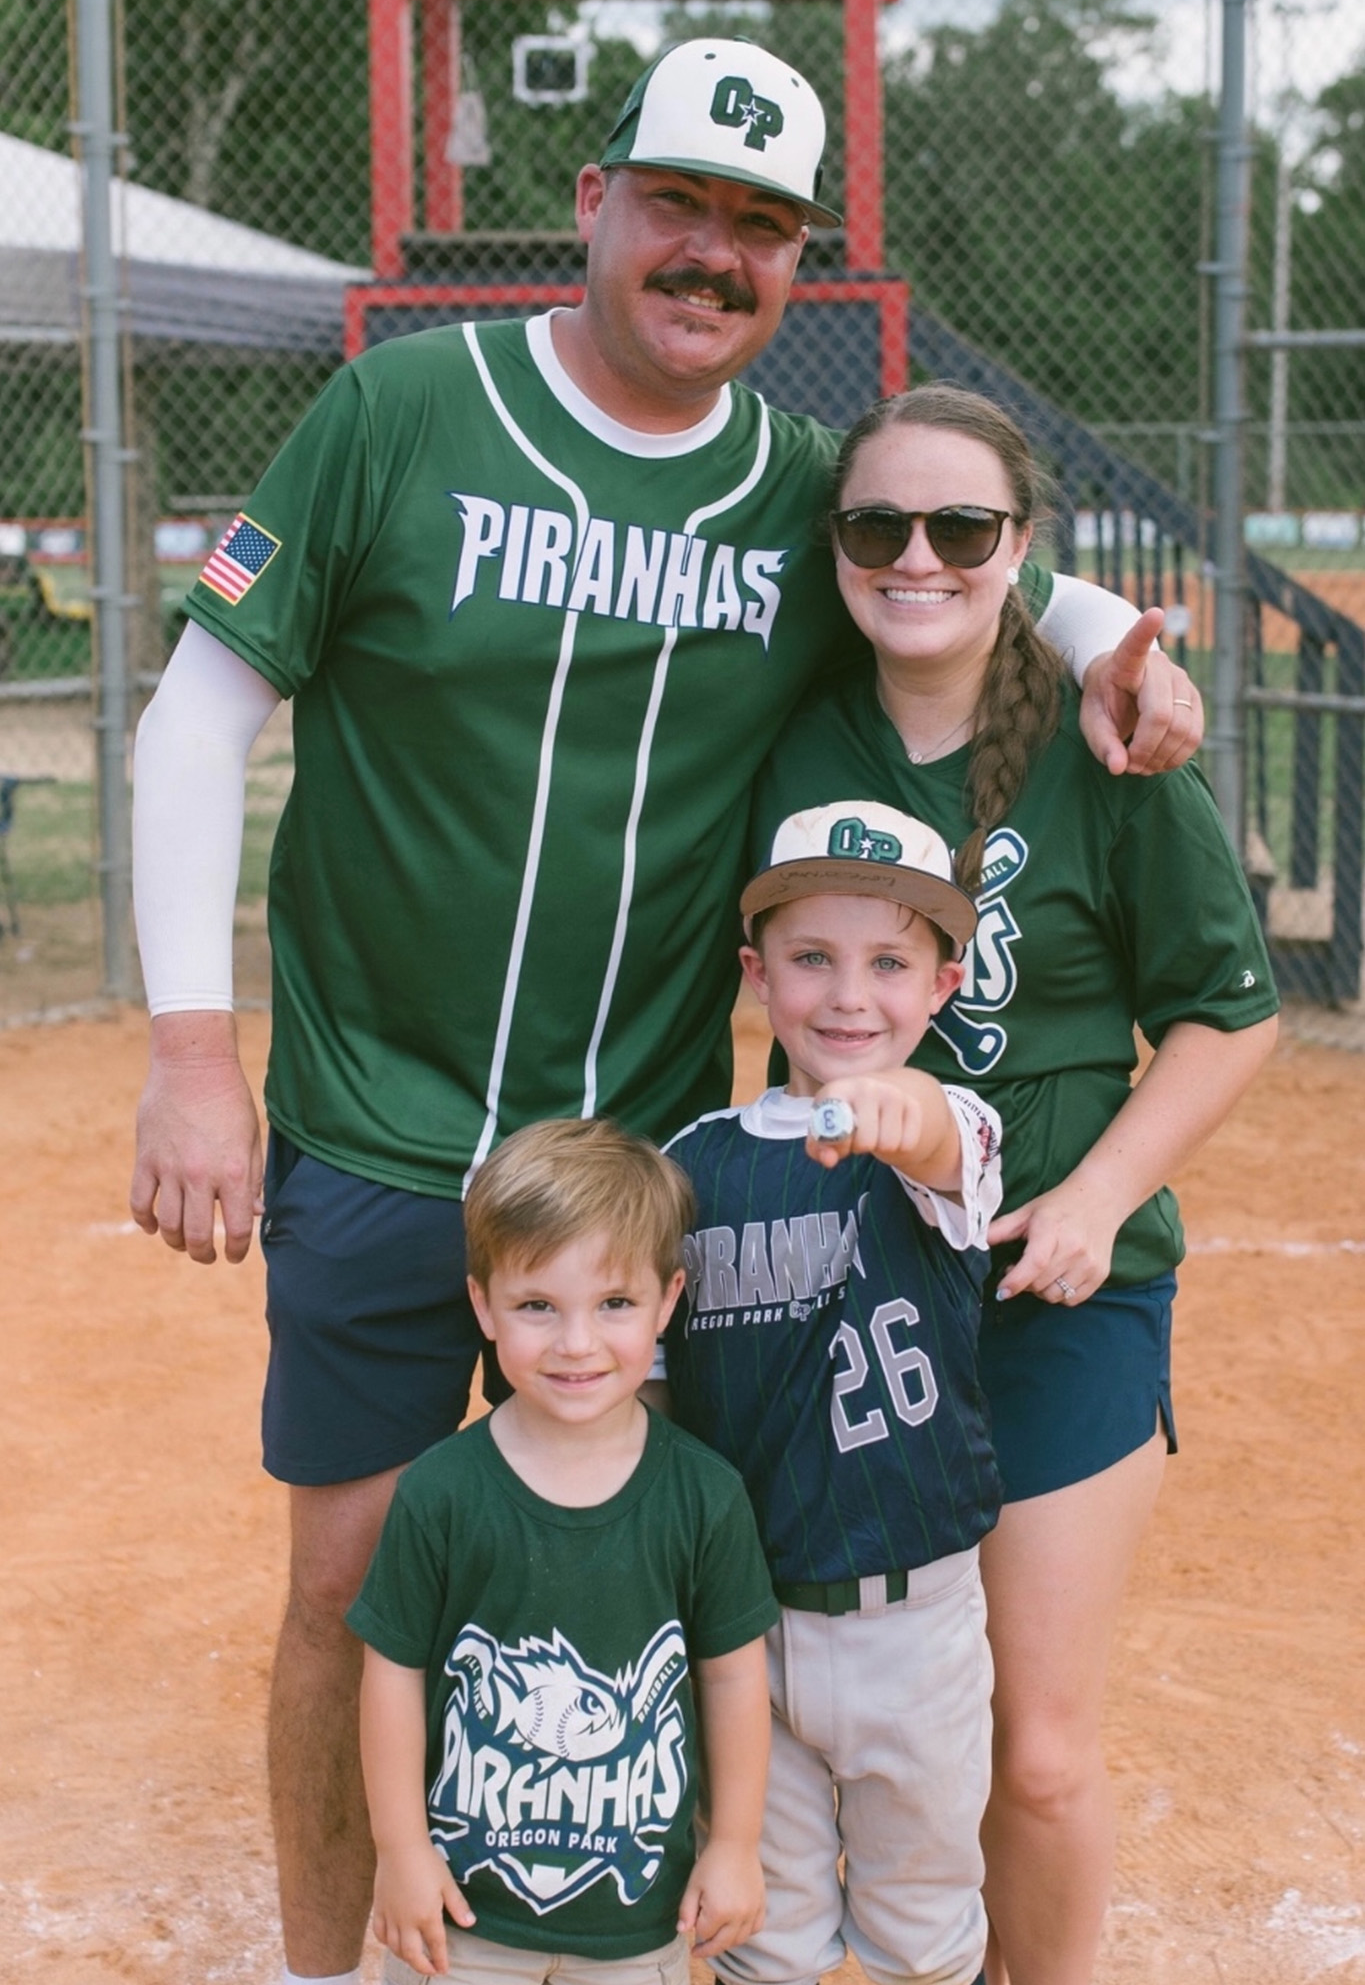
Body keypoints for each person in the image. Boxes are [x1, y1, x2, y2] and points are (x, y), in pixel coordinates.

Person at [126, 38, 1205, 1985]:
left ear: (795, 262)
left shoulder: (792, 489)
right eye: (678, 204)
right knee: (350, 1593)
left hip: (643, 1162)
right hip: (377, 1128)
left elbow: (951, 543)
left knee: (639, 1590)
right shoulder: (400, 409)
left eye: (758, 227)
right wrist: (195, 1054)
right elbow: (199, 712)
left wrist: (1107, 636)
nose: (711, 252)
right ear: (593, 201)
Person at [750, 383, 1281, 1985]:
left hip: (1057, 1285)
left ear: (1020, 549)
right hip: (842, 1288)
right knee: (825, 1721)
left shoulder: (1104, 739)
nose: (916, 557)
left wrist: (1102, 1196)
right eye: (876, 524)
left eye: (960, 526)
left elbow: (1228, 1014)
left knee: (1032, 1750)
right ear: (836, 547)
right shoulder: (784, 727)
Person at [662, 798, 1004, 1985]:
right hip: (746, 1630)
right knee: (763, 1935)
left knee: (924, 1933)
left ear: (944, 985)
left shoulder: (952, 1133)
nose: (851, 996)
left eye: (890, 964)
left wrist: (884, 1110)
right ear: (757, 975)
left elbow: (929, 1129)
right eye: (812, 957)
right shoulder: (692, 1163)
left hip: (917, 1625)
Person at [347, 1117, 776, 1985]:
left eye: (614, 1304)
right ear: (483, 1305)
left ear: (667, 1300)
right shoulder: (440, 1491)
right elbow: (392, 1674)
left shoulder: (704, 1494)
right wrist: (401, 1850)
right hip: (462, 1920)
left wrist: (733, 1844)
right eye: (537, 1306)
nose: (576, 1343)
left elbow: (732, 1678)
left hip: (637, 1919)